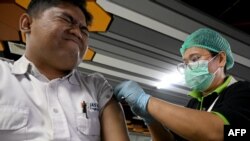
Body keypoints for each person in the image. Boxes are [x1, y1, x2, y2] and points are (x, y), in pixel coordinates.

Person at [0, 0, 129, 141]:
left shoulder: (97, 88)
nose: (78, 33)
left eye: (84, 30)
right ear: (27, 24)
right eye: (66, 19)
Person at [114, 28, 250, 141]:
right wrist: (151, 120)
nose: (189, 67)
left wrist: (145, 101)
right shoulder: (194, 104)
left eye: (195, 59)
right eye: (185, 63)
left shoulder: (242, 92)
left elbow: (218, 132)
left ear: (220, 59)